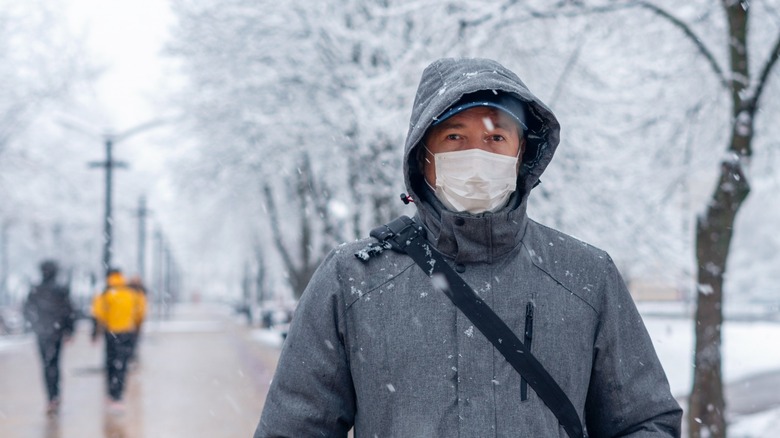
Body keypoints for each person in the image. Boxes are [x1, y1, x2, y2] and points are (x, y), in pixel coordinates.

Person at [254, 58, 682, 437]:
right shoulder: (354, 280)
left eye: (496, 139)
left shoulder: (586, 276)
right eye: (455, 137)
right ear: (424, 156)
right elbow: (293, 427)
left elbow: (645, 421)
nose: (476, 155)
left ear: (521, 155)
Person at [23, 259, 75, 415]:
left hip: (43, 334)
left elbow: (27, 310)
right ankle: (55, 396)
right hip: (56, 334)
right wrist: (69, 330)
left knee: (46, 365)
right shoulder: (61, 290)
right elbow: (69, 311)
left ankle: (51, 397)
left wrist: (35, 326)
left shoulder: (35, 290)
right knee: (55, 364)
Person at [91, 268, 146, 410]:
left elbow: (98, 314)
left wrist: (96, 333)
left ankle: (110, 393)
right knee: (122, 364)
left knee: (110, 363)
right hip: (128, 332)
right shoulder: (133, 293)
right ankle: (118, 396)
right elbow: (141, 312)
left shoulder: (105, 294)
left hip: (111, 333)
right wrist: (136, 327)